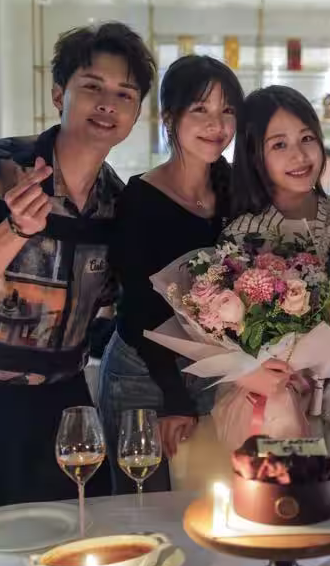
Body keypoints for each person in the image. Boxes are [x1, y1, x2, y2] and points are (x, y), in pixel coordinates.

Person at [0, 22, 155, 506]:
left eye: (124, 94)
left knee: (79, 531)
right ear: (58, 95)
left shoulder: (118, 202)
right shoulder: (5, 168)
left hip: (64, 401)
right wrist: (16, 230)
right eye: (92, 87)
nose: (108, 104)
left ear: (135, 114)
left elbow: (120, 306)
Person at [98, 55, 244, 493]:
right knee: (142, 504)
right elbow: (139, 310)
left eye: (227, 110)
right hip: (142, 374)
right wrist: (173, 397)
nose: (216, 124)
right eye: (200, 109)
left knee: (211, 503)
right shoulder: (140, 198)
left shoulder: (237, 192)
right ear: (169, 118)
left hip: (213, 370)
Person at [219, 86, 330, 483]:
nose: (300, 155)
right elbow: (225, 334)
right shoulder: (241, 234)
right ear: (255, 155)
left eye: (307, 138)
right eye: (279, 144)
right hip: (272, 410)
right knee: (277, 508)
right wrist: (252, 366)